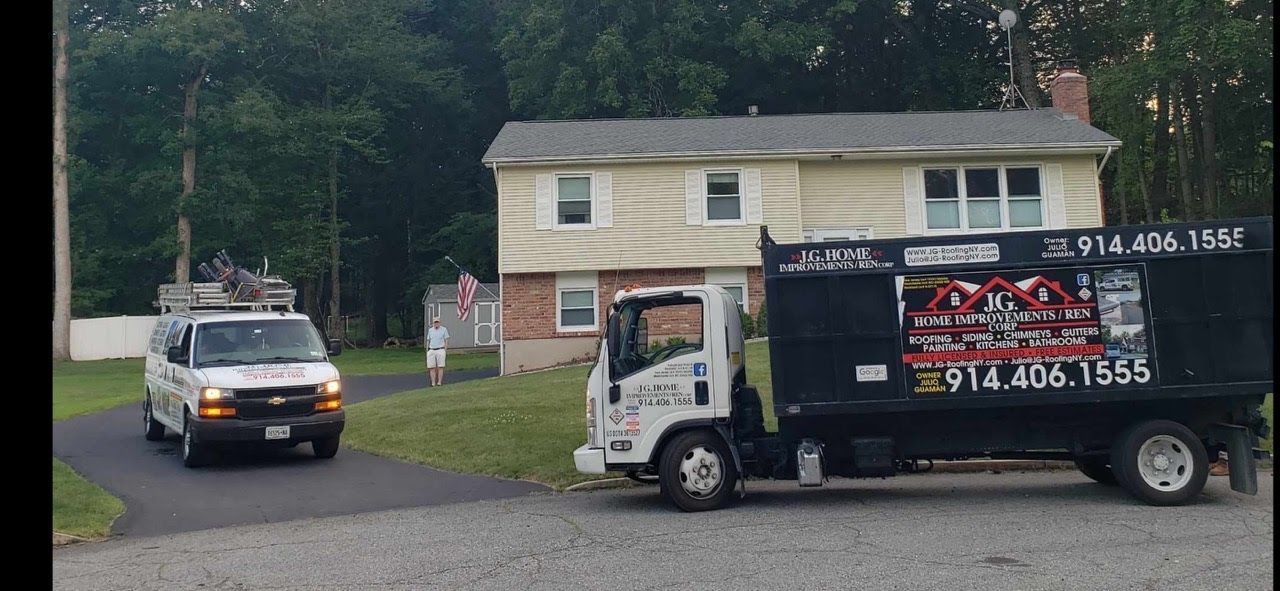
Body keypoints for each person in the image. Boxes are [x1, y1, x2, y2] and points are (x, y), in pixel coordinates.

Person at [425, 317, 450, 386]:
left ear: (439, 322)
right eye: (435, 322)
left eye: (437, 322)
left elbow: (446, 340)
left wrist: (445, 350)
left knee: (440, 366)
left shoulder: (444, 329)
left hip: (440, 349)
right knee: (431, 367)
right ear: (433, 323)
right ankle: (433, 382)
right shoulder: (430, 330)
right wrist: (427, 350)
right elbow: (428, 340)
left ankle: (439, 382)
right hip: (432, 349)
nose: (436, 324)